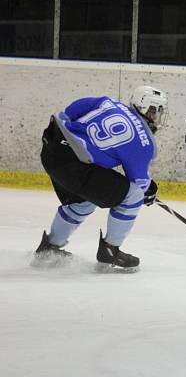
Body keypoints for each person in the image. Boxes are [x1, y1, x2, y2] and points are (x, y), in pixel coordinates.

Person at [32, 86, 168, 270]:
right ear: (144, 109)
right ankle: (110, 250)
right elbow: (139, 184)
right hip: (74, 168)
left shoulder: (109, 103)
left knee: (85, 200)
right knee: (133, 196)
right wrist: (149, 191)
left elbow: (71, 111)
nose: (156, 117)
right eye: (154, 111)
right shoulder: (144, 141)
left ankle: (50, 247)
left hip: (51, 149)